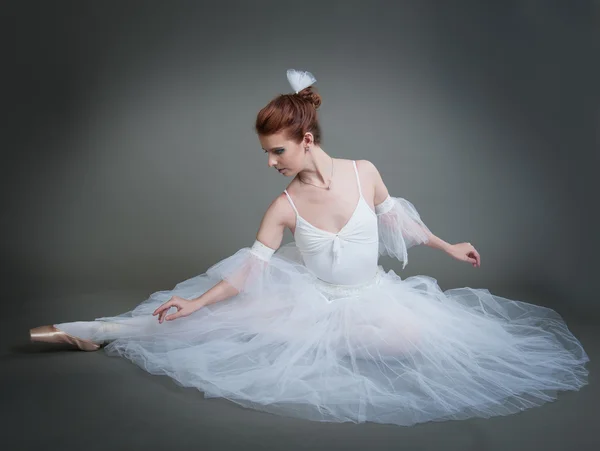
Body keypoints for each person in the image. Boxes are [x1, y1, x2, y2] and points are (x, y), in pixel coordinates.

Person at [30, 69, 589, 427]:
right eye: (266, 154)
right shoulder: (283, 207)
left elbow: (398, 221)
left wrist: (447, 245)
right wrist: (196, 303)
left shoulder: (364, 171)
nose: (271, 163)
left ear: (307, 139)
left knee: (409, 339)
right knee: (214, 323)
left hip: (372, 297)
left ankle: (323, 333)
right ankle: (97, 331)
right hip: (313, 297)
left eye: (277, 151)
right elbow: (246, 275)